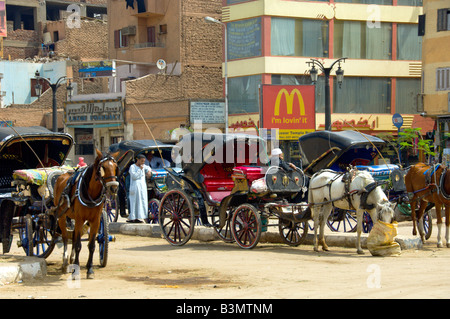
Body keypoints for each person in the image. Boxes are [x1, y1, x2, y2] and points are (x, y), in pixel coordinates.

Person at [127, 154, 152, 223]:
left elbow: (148, 168)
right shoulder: (132, 167)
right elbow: (134, 176)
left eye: (143, 161)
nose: (142, 163)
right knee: (134, 202)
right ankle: (132, 218)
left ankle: (138, 217)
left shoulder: (143, 166)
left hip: (142, 187)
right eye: (141, 161)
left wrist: (149, 171)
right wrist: (140, 170)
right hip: (135, 187)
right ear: (137, 160)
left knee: (141, 202)